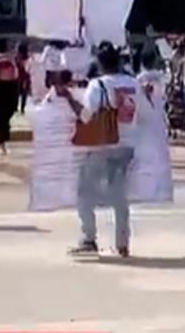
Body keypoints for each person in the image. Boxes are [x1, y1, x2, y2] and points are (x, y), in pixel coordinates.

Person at [67, 42, 140, 258]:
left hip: (103, 142)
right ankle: (122, 242)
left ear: (99, 62)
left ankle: (88, 237)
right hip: (127, 143)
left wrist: (70, 100)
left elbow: (87, 116)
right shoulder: (133, 83)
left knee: (85, 191)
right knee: (119, 196)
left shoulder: (97, 85)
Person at [16, 41, 32, 114]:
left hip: (17, 77)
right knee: (24, 95)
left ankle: (15, 107)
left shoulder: (16, 58)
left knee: (16, 94)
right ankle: (22, 108)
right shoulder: (28, 58)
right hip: (25, 77)